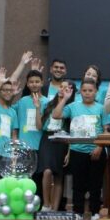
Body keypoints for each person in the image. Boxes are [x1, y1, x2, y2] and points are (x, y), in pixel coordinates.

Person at [53, 78, 110, 220]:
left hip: (96, 152)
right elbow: (56, 115)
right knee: (78, 185)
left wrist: (100, 147)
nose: (87, 93)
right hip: (77, 151)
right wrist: (64, 99)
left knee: (95, 184)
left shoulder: (101, 108)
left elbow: (106, 130)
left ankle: (94, 212)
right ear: (80, 92)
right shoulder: (73, 106)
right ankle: (78, 212)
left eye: (90, 90)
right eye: (84, 90)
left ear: (96, 92)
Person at [37, 83, 71, 211]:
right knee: (47, 171)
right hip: (47, 139)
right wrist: (37, 108)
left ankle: (55, 210)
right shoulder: (48, 104)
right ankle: (46, 205)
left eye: (66, 87)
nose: (63, 89)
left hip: (62, 141)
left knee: (58, 176)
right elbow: (39, 126)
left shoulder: (70, 107)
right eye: (61, 87)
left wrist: (69, 152)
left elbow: (72, 130)